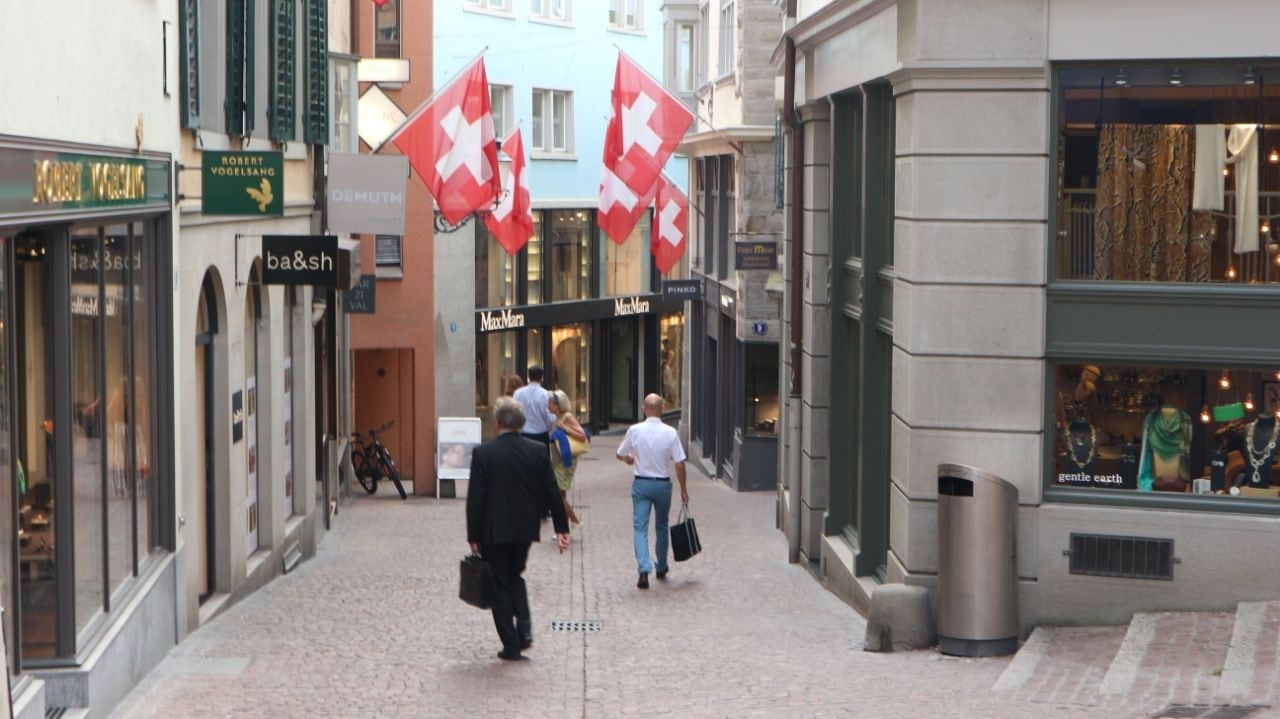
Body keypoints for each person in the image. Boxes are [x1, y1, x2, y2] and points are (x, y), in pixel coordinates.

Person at [467, 397, 571, 661]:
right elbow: (551, 489)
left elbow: (476, 498)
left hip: (494, 529)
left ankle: (512, 643)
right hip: (525, 528)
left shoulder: (484, 453)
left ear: (498, 423)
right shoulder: (536, 451)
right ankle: (523, 629)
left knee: (500, 583)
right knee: (515, 575)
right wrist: (562, 528)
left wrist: (473, 534)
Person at [616, 394, 688, 590]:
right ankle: (662, 566)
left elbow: (619, 454)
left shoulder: (635, 430)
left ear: (643, 408)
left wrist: (629, 459)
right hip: (662, 484)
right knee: (662, 526)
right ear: (662, 408)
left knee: (640, 527)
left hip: (642, 483)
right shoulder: (670, 432)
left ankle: (643, 569)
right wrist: (683, 489)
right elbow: (680, 464)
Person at [547, 389, 586, 527]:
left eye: (550, 402)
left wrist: (565, 428)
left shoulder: (567, 417)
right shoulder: (556, 417)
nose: (548, 405)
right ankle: (565, 526)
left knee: (558, 495)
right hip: (558, 460)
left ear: (558, 404)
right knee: (561, 495)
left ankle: (574, 521)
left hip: (565, 460)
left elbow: (582, 435)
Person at [512, 365, 556, 448]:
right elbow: (549, 417)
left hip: (523, 434)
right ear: (542, 377)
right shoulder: (545, 394)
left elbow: (514, 413)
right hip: (541, 436)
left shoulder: (518, 393)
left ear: (529, 376)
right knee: (541, 460)